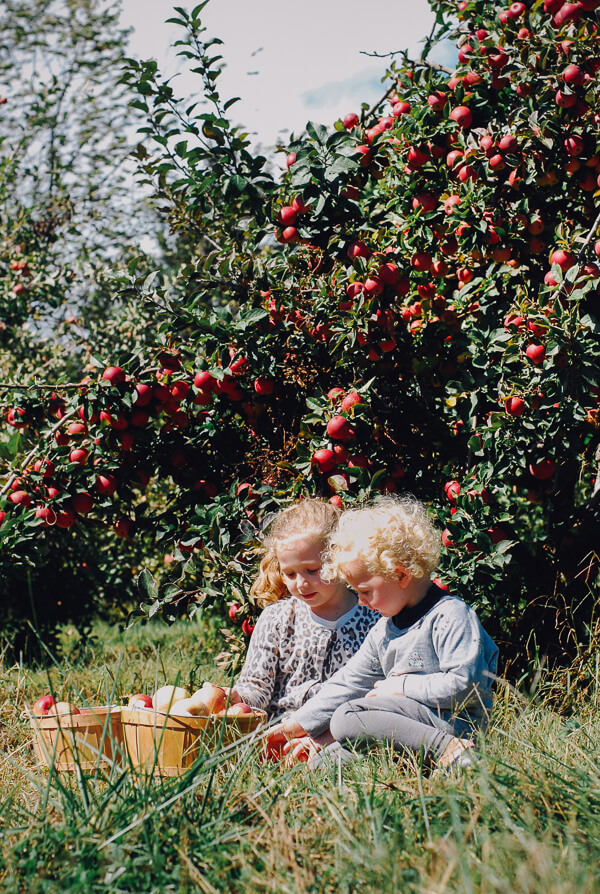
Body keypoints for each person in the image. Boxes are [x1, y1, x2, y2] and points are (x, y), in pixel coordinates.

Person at [266, 495, 498, 770]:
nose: (361, 601)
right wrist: (297, 725)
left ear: (401, 576)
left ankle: (448, 750)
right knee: (322, 765)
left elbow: (468, 684)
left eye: (365, 591)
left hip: (455, 726)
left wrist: (401, 687)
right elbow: (349, 683)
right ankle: (426, 762)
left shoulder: (450, 616)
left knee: (347, 717)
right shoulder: (384, 632)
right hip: (404, 731)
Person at [228, 499, 378, 719]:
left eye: (312, 570)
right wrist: (235, 698)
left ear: (340, 558)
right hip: (281, 732)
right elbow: (257, 687)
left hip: (346, 733)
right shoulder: (277, 619)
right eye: (290, 574)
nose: (301, 583)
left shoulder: (372, 618)